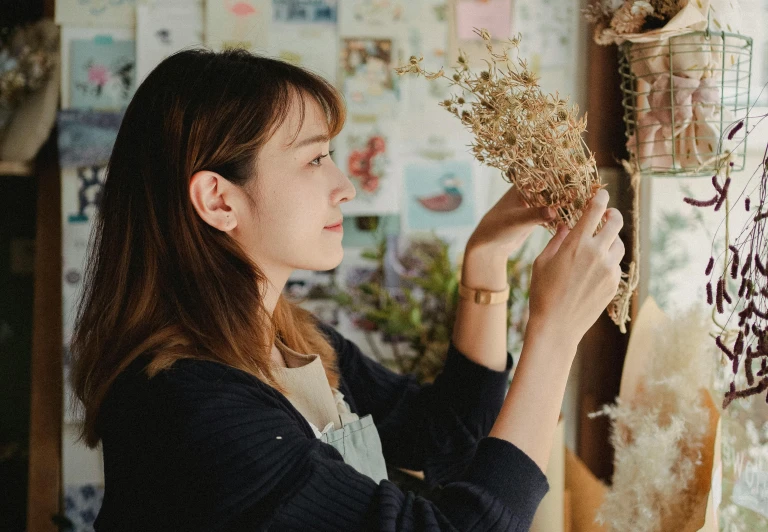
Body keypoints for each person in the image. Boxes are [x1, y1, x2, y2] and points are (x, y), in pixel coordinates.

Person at [70, 48, 625, 531]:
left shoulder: (287, 337)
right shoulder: (194, 408)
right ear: (219, 200)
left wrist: (486, 258)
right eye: (314, 159)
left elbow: (448, 438)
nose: (346, 186)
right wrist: (553, 335)